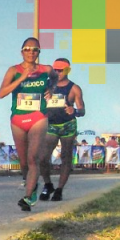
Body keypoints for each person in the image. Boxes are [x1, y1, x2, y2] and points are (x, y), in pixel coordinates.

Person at [0, 37, 51, 211]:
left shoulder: (46, 70)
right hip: (18, 119)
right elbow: (1, 93)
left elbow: (55, 79)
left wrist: (52, 89)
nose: (31, 52)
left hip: (38, 117)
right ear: (22, 52)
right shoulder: (14, 70)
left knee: (32, 158)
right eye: (27, 49)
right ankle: (32, 184)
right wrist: (21, 79)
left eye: (35, 49)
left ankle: (28, 197)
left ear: (39, 52)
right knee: (23, 162)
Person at [38, 58, 85, 202]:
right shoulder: (47, 85)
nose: (57, 73)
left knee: (66, 157)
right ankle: (48, 184)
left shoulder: (74, 88)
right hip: (51, 125)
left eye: (60, 70)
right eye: (55, 70)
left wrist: (74, 110)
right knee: (43, 157)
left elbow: (82, 110)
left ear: (67, 70)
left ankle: (59, 189)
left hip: (67, 125)